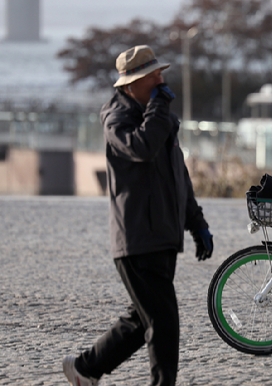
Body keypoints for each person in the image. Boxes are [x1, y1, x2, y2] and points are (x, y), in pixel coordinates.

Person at [62, 45, 214, 386]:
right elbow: (142, 147)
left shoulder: (160, 118)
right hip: (137, 239)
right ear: (131, 84)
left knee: (141, 319)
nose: (161, 80)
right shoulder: (118, 118)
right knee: (163, 324)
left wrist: (197, 222)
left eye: (160, 73)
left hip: (162, 236)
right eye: (153, 76)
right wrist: (160, 108)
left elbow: (179, 176)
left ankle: (85, 369)